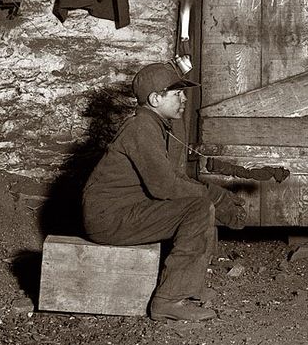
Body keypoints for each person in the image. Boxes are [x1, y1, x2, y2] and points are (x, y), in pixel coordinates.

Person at [82, 62, 247, 322]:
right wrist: (214, 196)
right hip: (109, 219)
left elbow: (172, 179)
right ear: (155, 99)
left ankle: (188, 286)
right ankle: (168, 301)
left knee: (203, 207)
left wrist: (217, 194)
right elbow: (165, 186)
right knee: (200, 208)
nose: (183, 98)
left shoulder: (155, 126)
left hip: (124, 212)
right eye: (177, 94)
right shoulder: (141, 128)